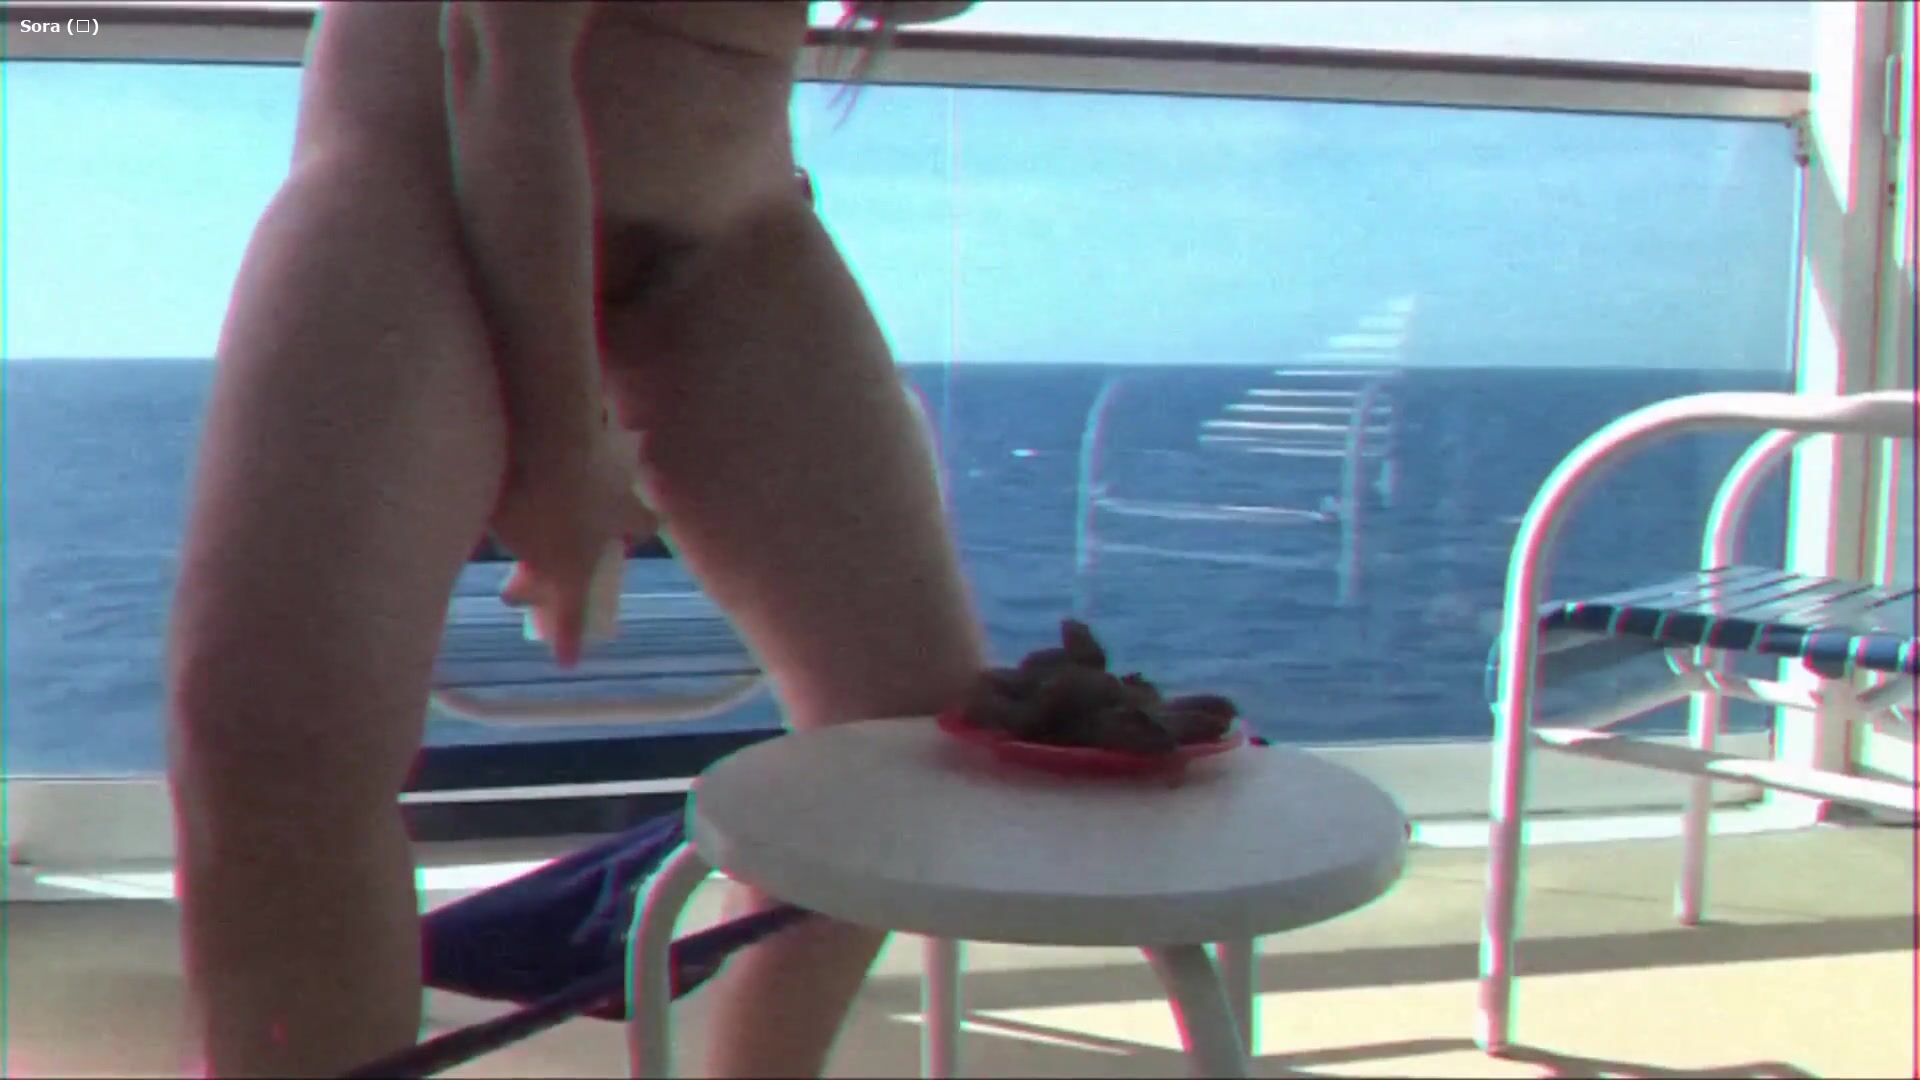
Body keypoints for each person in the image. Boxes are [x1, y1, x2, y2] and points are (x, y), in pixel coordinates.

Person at [164, 2, 984, 1075]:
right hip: (418, 190)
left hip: (727, 224)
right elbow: (499, 55)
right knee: (276, 742)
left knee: (906, 730)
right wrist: (559, 453)